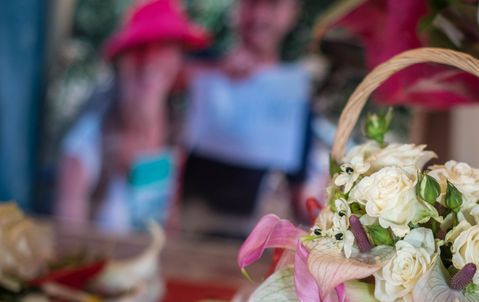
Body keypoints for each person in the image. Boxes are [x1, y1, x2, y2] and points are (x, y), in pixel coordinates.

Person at [55, 0, 210, 232]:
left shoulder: (186, 137)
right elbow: (68, 246)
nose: (149, 60)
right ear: (120, 62)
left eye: (164, 47)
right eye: (140, 48)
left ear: (179, 61)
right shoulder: (84, 148)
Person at [181, 0, 312, 237]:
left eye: (272, 5)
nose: (260, 15)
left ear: (293, 13)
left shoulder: (295, 99)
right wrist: (215, 70)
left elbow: (299, 194)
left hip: (250, 246)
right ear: (235, 8)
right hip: (182, 233)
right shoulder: (195, 69)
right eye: (251, 3)